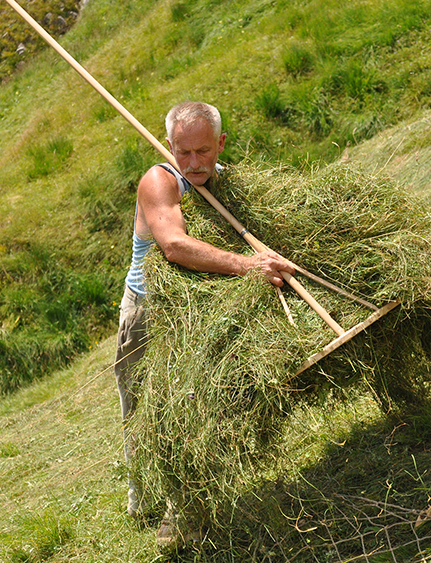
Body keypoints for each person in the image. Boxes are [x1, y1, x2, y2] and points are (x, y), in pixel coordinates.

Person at [114, 101, 294, 549]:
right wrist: (247, 267)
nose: (194, 163)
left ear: (220, 144)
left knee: (188, 405)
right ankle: (143, 493)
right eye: (183, 152)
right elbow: (174, 245)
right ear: (170, 146)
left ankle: (183, 512)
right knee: (141, 408)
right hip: (149, 310)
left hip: (201, 308)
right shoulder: (160, 180)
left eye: (203, 151)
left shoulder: (223, 179)